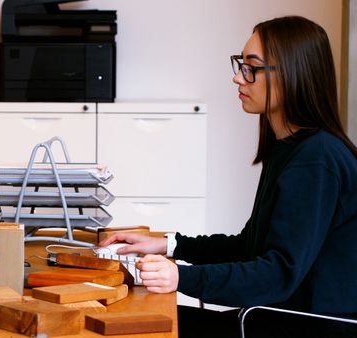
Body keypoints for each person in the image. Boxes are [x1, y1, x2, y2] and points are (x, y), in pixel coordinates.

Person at [100, 15, 357, 338]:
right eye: (240, 64)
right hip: (278, 316)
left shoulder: (316, 160)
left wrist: (180, 277)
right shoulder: (291, 150)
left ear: (292, 72)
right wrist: (168, 244)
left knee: (135, 325)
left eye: (251, 67)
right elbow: (250, 246)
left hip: (308, 325)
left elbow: (278, 274)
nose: (239, 78)